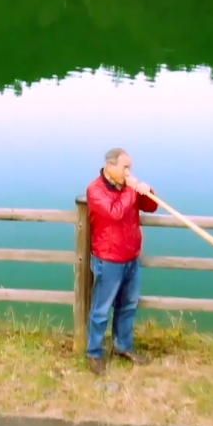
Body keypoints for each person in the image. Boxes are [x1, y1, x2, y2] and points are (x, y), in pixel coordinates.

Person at [84, 147, 158, 375]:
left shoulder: (128, 188)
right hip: (109, 260)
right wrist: (132, 189)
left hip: (131, 257)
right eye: (125, 167)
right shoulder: (95, 190)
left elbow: (151, 206)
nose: (128, 172)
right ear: (109, 166)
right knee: (101, 310)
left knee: (128, 306)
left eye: (130, 168)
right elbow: (114, 212)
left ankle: (123, 347)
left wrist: (146, 190)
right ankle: (94, 353)